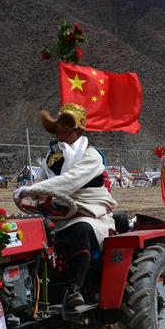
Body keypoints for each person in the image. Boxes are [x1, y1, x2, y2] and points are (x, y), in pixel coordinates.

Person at [16, 103, 117, 311]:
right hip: (58, 215)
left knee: (81, 229)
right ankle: (36, 288)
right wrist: (30, 191)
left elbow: (70, 181)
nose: (60, 136)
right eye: (58, 131)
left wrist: (33, 189)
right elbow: (41, 184)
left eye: (65, 131)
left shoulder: (91, 156)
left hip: (90, 214)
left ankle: (74, 289)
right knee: (30, 231)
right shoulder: (51, 158)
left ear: (78, 132)